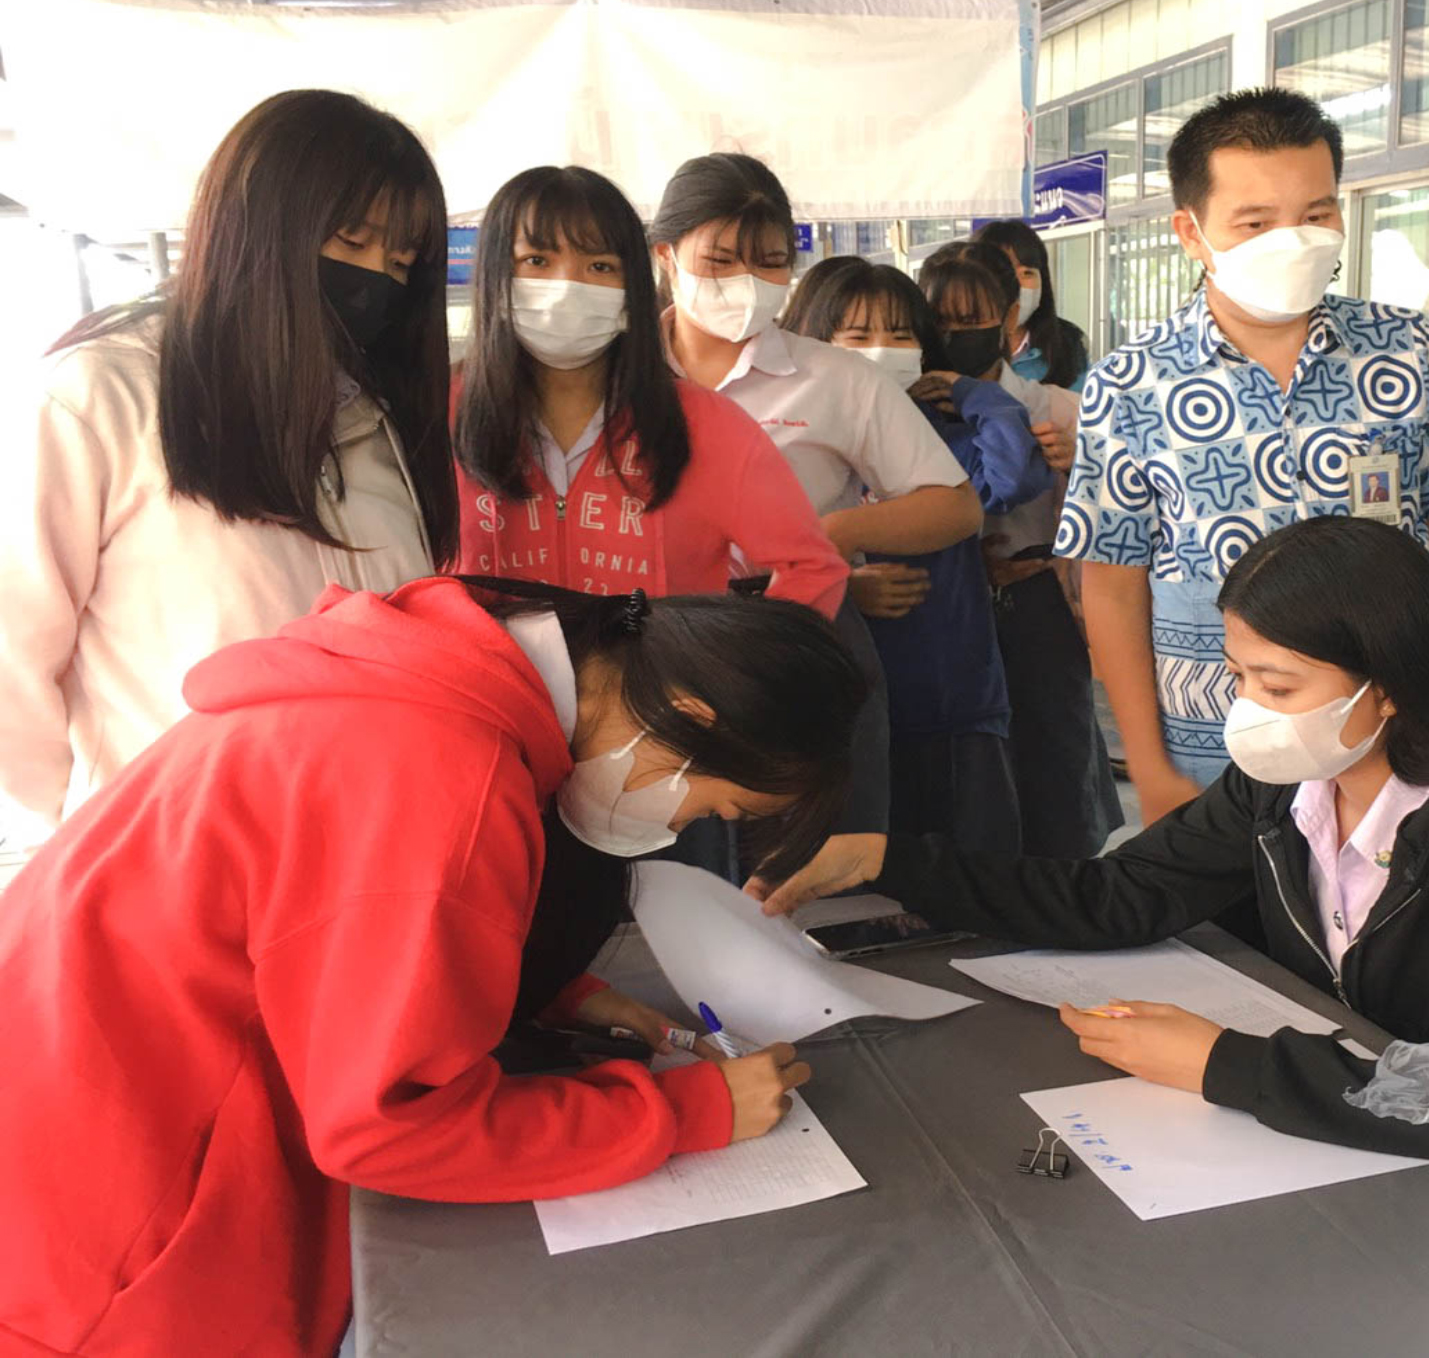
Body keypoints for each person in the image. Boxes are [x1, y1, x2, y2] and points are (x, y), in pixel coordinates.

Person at [0, 575, 859, 1356]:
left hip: (63, 1065)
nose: (685, 825)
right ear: (690, 714)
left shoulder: (425, 665)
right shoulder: (446, 774)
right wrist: (686, 1110)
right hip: (118, 1218)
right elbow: (388, 1126)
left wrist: (559, 993)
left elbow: (320, 921)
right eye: (722, 804)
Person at [752, 516, 1429, 1163]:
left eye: (1277, 683)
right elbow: (1121, 895)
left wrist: (1228, 1065)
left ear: (1390, 688)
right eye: (1239, 676)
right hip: (1326, 1140)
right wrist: (886, 857)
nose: (1248, 709)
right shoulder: (1285, 783)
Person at [0, 90, 452, 853]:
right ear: (259, 223)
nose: (377, 279)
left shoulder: (375, 423)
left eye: (401, 260)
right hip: (168, 876)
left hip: (357, 861)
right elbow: (11, 669)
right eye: (351, 239)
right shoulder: (101, 398)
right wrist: (102, 842)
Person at [1060, 88, 1429, 829]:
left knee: (1391, 926)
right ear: (1191, 231)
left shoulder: (1408, 350)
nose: (1295, 239)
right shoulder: (1130, 381)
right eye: (1256, 222)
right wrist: (1148, 767)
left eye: (1317, 213)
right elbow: (1112, 585)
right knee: (1232, 937)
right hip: (1214, 736)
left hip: (1394, 723)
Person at [648, 152, 982, 887]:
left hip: (805, 627)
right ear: (665, 255)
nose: (748, 281)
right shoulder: (623, 378)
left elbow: (954, 504)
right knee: (672, 864)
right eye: (722, 258)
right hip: (661, 639)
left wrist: (832, 539)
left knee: (811, 862)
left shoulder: (834, 377)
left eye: (770, 262)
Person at [453, 165, 846, 615]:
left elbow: (814, 568)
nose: (568, 287)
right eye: (537, 261)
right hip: (489, 684)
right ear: (495, 274)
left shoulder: (705, 424)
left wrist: (728, 678)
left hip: (658, 685)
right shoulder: (437, 416)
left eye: (600, 266)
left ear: (632, 288)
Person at [782, 255, 1043, 850]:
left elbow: (1009, 479)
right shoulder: (798, 443)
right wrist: (844, 582)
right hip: (846, 704)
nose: (882, 350)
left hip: (953, 694)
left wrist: (979, 396)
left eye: (900, 335)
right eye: (858, 335)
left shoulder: (939, 431)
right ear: (814, 344)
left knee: (968, 873)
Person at [926, 238, 1126, 858]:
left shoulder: (1060, 408)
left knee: (1054, 754)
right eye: (943, 321)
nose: (958, 334)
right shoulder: (909, 407)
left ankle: (1067, 886)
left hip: (1037, 598)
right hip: (944, 606)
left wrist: (1079, 468)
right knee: (963, 764)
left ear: (1010, 320)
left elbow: (1118, 515)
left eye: (975, 320)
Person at [973, 218, 1091, 390]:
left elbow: (1082, 410)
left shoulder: (1068, 342)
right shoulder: (956, 344)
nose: (1016, 284)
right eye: (1003, 270)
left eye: (1027, 273)